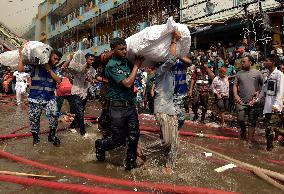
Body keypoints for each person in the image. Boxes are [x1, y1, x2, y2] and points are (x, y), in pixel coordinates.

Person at [95, 37, 144, 171]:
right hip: (117, 107)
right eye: (120, 49)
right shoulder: (111, 66)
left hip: (130, 106)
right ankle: (101, 144)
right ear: (113, 50)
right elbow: (127, 83)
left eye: (125, 49)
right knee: (119, 139)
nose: (124, 51)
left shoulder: (127, 62)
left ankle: (130, 164)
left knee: (134, 135)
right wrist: (136, 66)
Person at [144, 31, 182, 174]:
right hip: (161, 109)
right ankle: (142, 150)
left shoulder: (170, 73)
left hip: (171, 109)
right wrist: (173, 40)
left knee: (175, 142)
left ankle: (169, 167)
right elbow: (172, 60)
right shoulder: (160, 71)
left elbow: (176, 60)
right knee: (166, 141)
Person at [18, 48, 63, 146]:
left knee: (54, 115)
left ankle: (52, 135)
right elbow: (20, 69)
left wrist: (49, 69)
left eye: (58, 60)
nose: (56, 61)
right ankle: (35, 138)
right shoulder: (35, 67)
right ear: (48, 56)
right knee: (34, 118)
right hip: (35, 98)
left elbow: (59, 80)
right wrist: (21, 56)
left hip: (50, 98)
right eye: (55, 59)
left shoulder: (56, 70)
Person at [253, 55, 284, 150]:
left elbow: (281, 91)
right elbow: (263, 90)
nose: (264, 62)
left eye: (267, 61)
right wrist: (257, 100)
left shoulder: (279, 74)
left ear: (273, 62)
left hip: (275, 106)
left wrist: (276, 105)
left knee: (269, 128)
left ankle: (269, 149)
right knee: (270, 127)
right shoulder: (267, 75)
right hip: (267, 106)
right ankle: (270, 146)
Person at [233, 55, 263, 145]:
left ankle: (249, 141)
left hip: (253, 102)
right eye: (242, 62)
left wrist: (258, 93)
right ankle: (243, 130)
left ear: (250, 62)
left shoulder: (258, 73)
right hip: (241, 101)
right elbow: (235, 85)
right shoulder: (239, 73)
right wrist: (235, 95)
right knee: (240, 119)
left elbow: (262, 86)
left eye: (244, 62)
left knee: (251, 122)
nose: (242, 63)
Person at [65, 53, 97, 136]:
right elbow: (67, 69)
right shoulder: (78, 67)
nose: (92, 61)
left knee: (80, 112)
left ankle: (71, 126)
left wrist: (91, 81)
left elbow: (89, 78)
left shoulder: (92, 70)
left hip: (85, 93)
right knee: (80, 113)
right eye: (90, 59)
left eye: (93, 60)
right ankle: (83, 133)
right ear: (85, 59)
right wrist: (69, 59)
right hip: (76, 92)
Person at [189, 55, 215, 123]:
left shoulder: (209, 69)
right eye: (202, 61)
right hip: (197, 89)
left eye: (205, 62)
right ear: (200, 62)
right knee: (194, 104)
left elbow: (212, 78)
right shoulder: (197, 68)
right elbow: (193, 79)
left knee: (204, 105)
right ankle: (196, 114)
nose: (203, 63)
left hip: (205, 90)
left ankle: (202, 118)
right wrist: (191, 90)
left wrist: (207, 69)